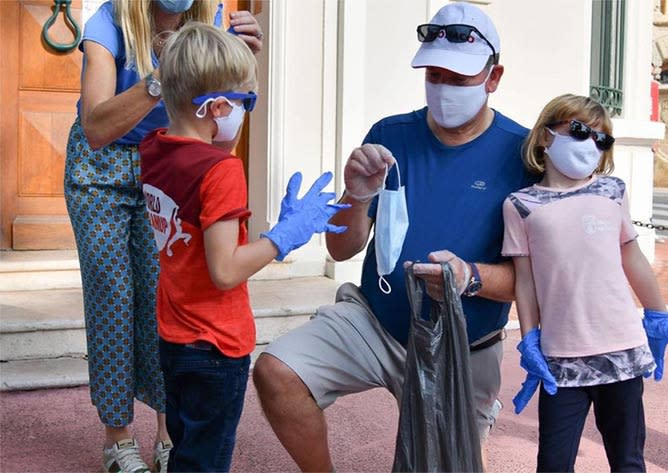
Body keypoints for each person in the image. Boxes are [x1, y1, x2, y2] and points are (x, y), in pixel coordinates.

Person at [253, 3, 536, 471]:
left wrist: (469, 277)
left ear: (494, 76)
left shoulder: (521, 154)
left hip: (462, 345)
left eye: (458, 78)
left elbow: (533, 280)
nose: (443, 89)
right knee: (277, 372)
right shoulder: (390, 134)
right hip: (376, 323)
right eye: (434, 75)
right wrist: (356, 196)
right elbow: (341, 248)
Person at [63, 1, 262, 472]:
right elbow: (94, 127)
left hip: (172, 163)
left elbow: (219, 126)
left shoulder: (210, 18)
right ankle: (118, 438)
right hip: (103, 166)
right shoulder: (107, 22)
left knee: (166, 295)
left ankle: (169, 432)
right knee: (113, 297)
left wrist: (239, 62)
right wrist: (162, 78)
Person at [138, 22, 346, 472]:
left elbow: (202, 235)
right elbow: (226, 271)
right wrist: (283, 235)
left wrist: (275, 236)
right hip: (216, 343)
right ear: (216, 106)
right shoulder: (221, 170)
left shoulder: (154, 149)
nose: (244, 111)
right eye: (244, 102)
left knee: (186, 447)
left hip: (173, 337)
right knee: (205, 460)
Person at [502, 94, 668, 472]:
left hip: (622, 351)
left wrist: (658, 314)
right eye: (579, 130)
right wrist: (530, 338)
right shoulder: (520, 205)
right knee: (553, 464)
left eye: (601, 138)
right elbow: (525, 282)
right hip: (561, 360)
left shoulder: (612, 190)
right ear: (544, 135)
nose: (590, 143)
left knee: (628, 462)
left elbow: (631, 257)